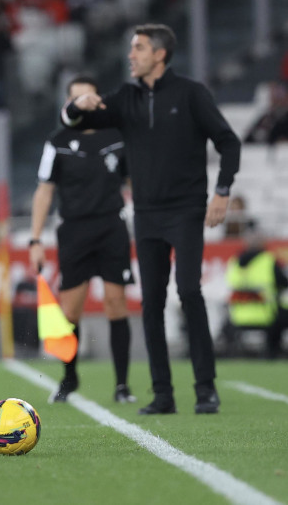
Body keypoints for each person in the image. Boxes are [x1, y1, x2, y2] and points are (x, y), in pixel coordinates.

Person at [61, 24, 241, 415]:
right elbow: (73, 123)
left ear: (159, 54)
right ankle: (163, 394)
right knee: (151, 302)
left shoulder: (191, 93)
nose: (131, 55)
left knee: (189, 292)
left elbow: (228, 141)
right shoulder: (126, 98)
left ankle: (205, 388)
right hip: (146, 214)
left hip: (186, 209)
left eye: (138, 48)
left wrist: (223, 191)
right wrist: (78, 106)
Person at [30, 75, 136, 405]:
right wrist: (35, 239)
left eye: (88, 98)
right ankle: (69, 378)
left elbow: (134, 181)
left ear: (99, 100)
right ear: (68, 104)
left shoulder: (117, 137)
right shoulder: (57, 141)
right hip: (74, 231)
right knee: (70, 311)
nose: (84, 104)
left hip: (111, 228)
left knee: (116, 304)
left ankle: (122, 385)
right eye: (76, 99)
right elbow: (45, 191)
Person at [224, 231, 287, 359]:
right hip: (266, 315)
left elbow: (230, 285)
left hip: (238, 317)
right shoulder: (268, 261)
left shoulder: (234, 262)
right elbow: (284, 283)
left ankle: (231, 352)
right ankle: (273, 351)